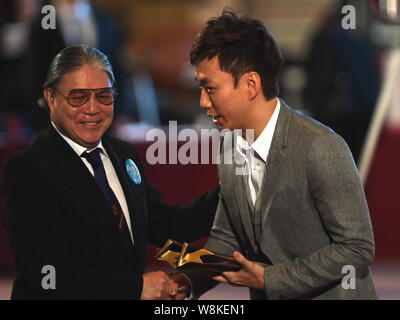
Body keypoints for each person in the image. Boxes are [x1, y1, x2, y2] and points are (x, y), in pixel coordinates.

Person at [170, 9, 377, 300]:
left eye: (210, 88)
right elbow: (228, 236)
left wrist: (271, 278)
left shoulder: (320, 146)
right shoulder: (230, 145)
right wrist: (186, 281)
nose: (203, 102)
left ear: (251, 84)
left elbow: (357, 247)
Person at [2, 45, 218, 299]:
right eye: (78, 97)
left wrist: (235, 192)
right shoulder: (29, 169)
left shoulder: (123, 154)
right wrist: (136, 288)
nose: (93, 109)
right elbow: (47, 274)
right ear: (51, 98)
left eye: (104, 96)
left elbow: (163, 226)